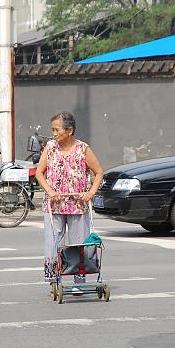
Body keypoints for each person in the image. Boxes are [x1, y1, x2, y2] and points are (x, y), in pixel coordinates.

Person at [36, 111, 103, 287]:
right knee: (53, 242)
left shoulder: (83, 149)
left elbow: (98, 173)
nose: (54, 133)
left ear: (70, 130)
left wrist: (90, 193)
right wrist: (50, 191)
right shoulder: (50, 147)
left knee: (78, 243)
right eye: (53, 130)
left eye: (57, 130)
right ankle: (54, 279)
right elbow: (39, 173)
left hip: (78, 204)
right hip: (54, 204)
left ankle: (78, 281)